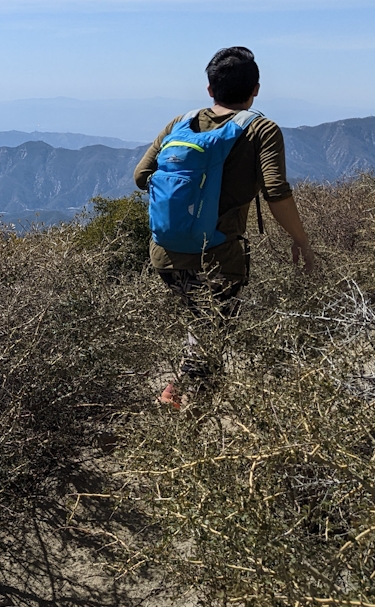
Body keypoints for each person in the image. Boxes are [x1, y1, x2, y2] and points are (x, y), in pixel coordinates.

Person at [133, 46, 314, 407]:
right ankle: (187, 418)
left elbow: (141, 177)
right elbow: (276, 190)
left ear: (210, 89)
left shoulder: (179, 124)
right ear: (256, 89)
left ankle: (178, 400)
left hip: (165, 255)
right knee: (211, 336)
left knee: (200, 326)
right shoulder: (260, 128)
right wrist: (301, 241)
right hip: (218, 254)